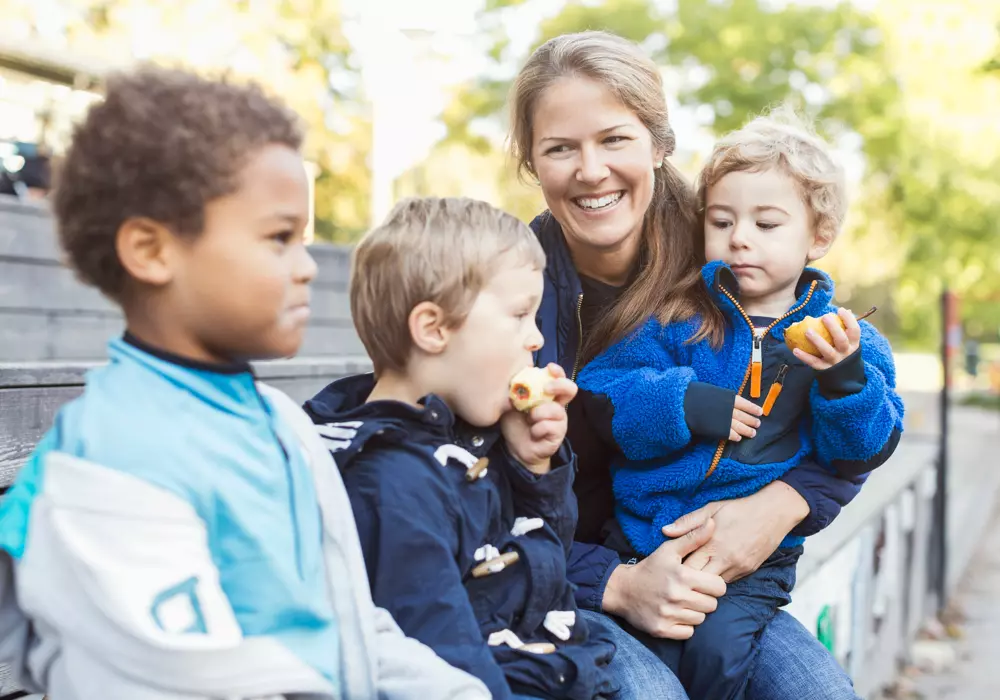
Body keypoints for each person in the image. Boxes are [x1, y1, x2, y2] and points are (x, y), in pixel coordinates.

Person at [0, 67, 488, 700]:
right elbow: (190, 679)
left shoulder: (280, 422)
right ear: (151, 251)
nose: (308, 267)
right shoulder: (107, 469)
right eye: (278, 239)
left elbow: (345, 623)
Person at [508, 30, 894, 698]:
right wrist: (617, 583)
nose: (591, 170)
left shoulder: (732, 240)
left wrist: (783, 503)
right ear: (531, 163)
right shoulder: (510, 284)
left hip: (727, 566)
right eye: (560, 148)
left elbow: (840, 418)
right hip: (579, 567)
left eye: (615, 139)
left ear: (660, 144)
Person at [303, 197, 617, 700]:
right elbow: (443, 656)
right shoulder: (392, 483)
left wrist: (533, 469)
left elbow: (544, 573)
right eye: (519, 314)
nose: (536, 337)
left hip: (557, 661)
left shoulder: (469, 437)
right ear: (434, 329)